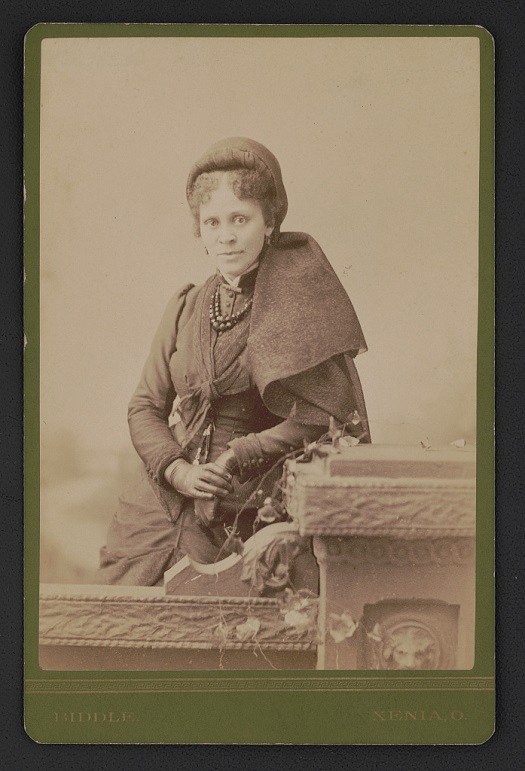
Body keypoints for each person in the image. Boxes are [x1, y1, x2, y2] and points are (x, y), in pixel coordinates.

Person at [99, 137, 370, 586]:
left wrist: (238, 455)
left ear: (269, 222)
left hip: (247, 507)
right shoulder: (185, 306)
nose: (225, 235)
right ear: (200, 230)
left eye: (240, 219)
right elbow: (144, 406)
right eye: (212, 222)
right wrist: (177, 470)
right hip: (162, 502)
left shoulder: (298, 308)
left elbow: (326, 417)